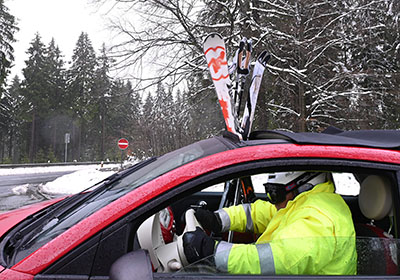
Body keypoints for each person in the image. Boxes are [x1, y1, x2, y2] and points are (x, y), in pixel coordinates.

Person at [183, 171, 357, 275]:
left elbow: (275, 260)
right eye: (268, 192)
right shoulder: (299, 203)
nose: (272, 201)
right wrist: (218, 220)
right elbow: (258, 213)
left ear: (304, 186)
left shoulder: (319, 219)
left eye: (275, 193)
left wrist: (212, 251)